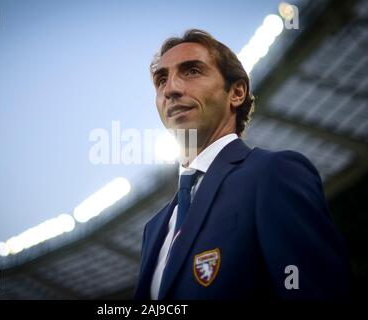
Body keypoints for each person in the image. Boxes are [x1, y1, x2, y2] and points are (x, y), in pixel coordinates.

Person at [134, 29, 351, 300]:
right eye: (161, 79)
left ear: (236, 93)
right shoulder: (154, 228)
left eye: (191, 71)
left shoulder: (273, 173)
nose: (171, 89)